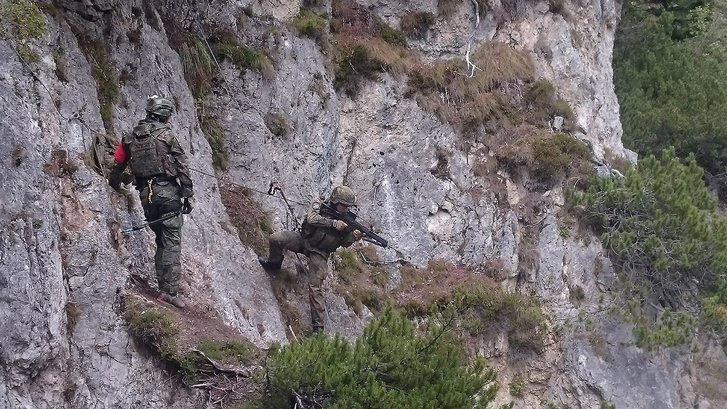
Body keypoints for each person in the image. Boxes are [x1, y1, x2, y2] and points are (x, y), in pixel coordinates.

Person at [109, 96, 194, 308]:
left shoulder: (129, 137)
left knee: (161, 240)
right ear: (164, 114)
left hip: (146, 196)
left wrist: (113, 185)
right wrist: (188, 194)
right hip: (167, 193)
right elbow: (182, 166)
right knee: (171, 241)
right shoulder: (167, 136)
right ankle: (169, 292)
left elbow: (118, 163)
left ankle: (163, 288)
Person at [259, 185, 364, 333]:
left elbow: (344, 243)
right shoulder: (319, 203)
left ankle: (318, 328)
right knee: (276, 239)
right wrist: (334, 224)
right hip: (303, 240)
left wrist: (353, 236)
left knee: (315, 287)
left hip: (320, 253)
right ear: (334, 201)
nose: (346, 209)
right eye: (343, 205)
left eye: (348, 206)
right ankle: (274, 262)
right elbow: (312, 218)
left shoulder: (347, 219)